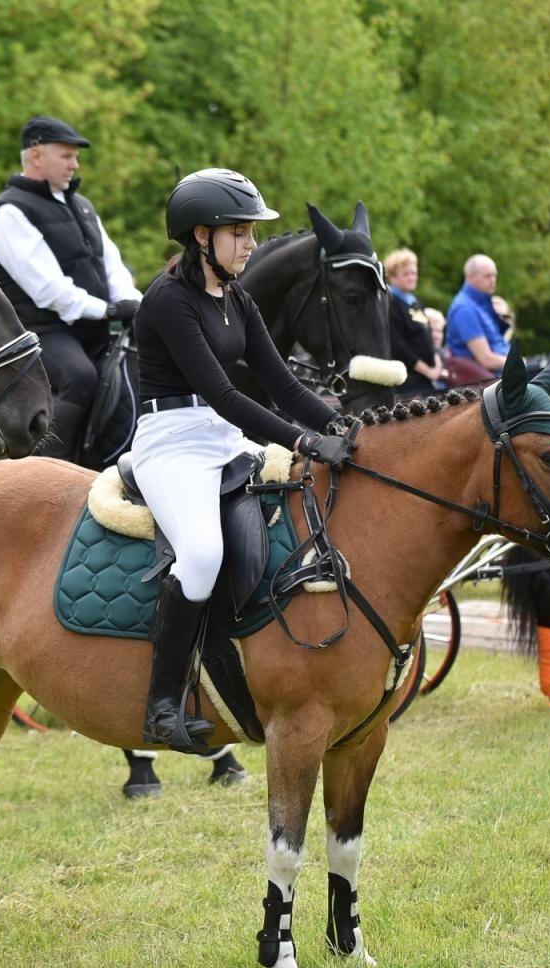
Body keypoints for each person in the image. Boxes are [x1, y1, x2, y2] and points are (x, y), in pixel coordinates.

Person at [131, 169, 351, 753]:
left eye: (252, 232)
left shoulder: (238, 299)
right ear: (202, 236)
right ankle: (160, 706)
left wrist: (339, 426)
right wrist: (304, 442)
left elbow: (283, 385)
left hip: (221, 438)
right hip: (170, 441)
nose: (252, 243)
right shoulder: (169, 299)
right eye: (240, 232)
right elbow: (225, 394)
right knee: (202, 554)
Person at [0, 116, 142, 462]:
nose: (75, 164)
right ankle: (49, 470)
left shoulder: (82, 205)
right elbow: (49, 290)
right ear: (37, 155)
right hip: (38, 332)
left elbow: (111, 264)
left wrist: (134, 303)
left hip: (93, 327)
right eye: (66, 156)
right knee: (80, 377)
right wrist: (109, 311)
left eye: (75, 157)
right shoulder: (9, 213)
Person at [384, 248, 445, 395]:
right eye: (406, 274)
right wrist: (428, 371)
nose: (412, 277)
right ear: (392, 277)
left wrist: (436, 364)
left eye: (414, 273)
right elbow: (398, 347)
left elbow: (428, 337)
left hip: (428, 377)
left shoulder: (415, 301)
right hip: (408, 382)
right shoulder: (391, 303)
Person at [444, 254, 506, 381]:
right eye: (487, 276)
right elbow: (486, 359)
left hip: (503, 371)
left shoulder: (482, 303)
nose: (493, 280)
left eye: (494, 275)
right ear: (470, 277)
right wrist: (520, 363)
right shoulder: (465, 309)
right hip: (491, 380)